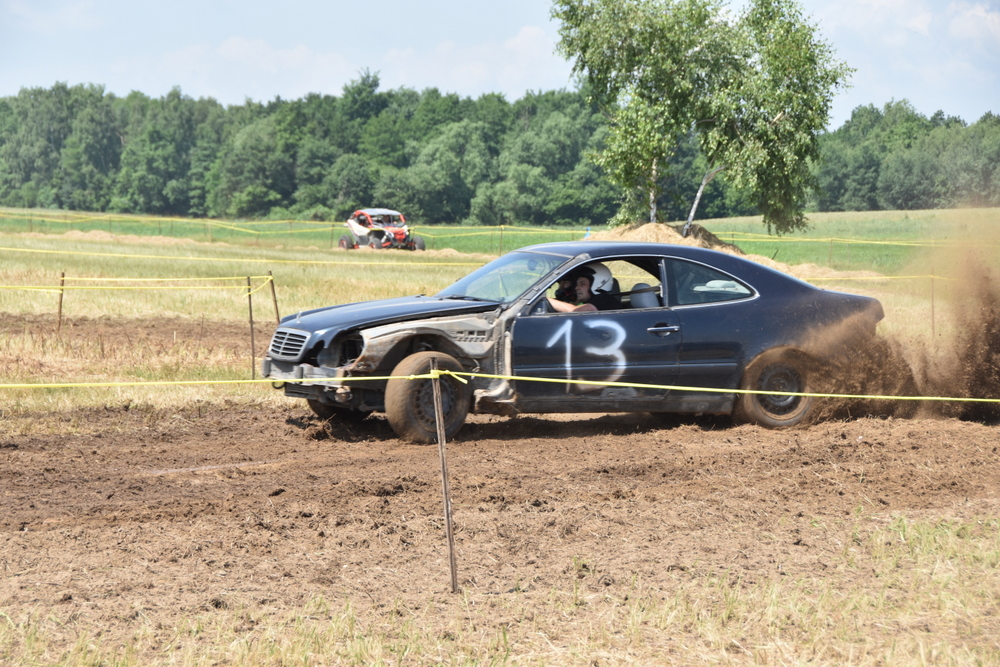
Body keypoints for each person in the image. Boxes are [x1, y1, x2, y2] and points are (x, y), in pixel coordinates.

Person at [546, 265, 620, 312]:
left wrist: (545, 300)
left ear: (598, 284)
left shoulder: (605, 300)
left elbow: (576, 311)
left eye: (582, 284)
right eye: (577, 284)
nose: (576, 288)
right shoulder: (591, 301)